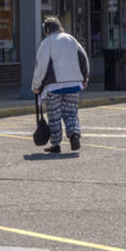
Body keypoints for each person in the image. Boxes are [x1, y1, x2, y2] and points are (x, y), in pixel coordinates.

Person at [31, 15, 89, 153]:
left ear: (47, 30)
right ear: (59, 27)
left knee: (54, 115)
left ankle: (56, 145)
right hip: (73, 83)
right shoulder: (71, 39)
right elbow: (84, 58)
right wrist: (84, 78)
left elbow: (41, 66)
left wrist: (36, 85)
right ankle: (74, 134)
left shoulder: (47, 43)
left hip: (53, 85)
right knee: (71, 113)